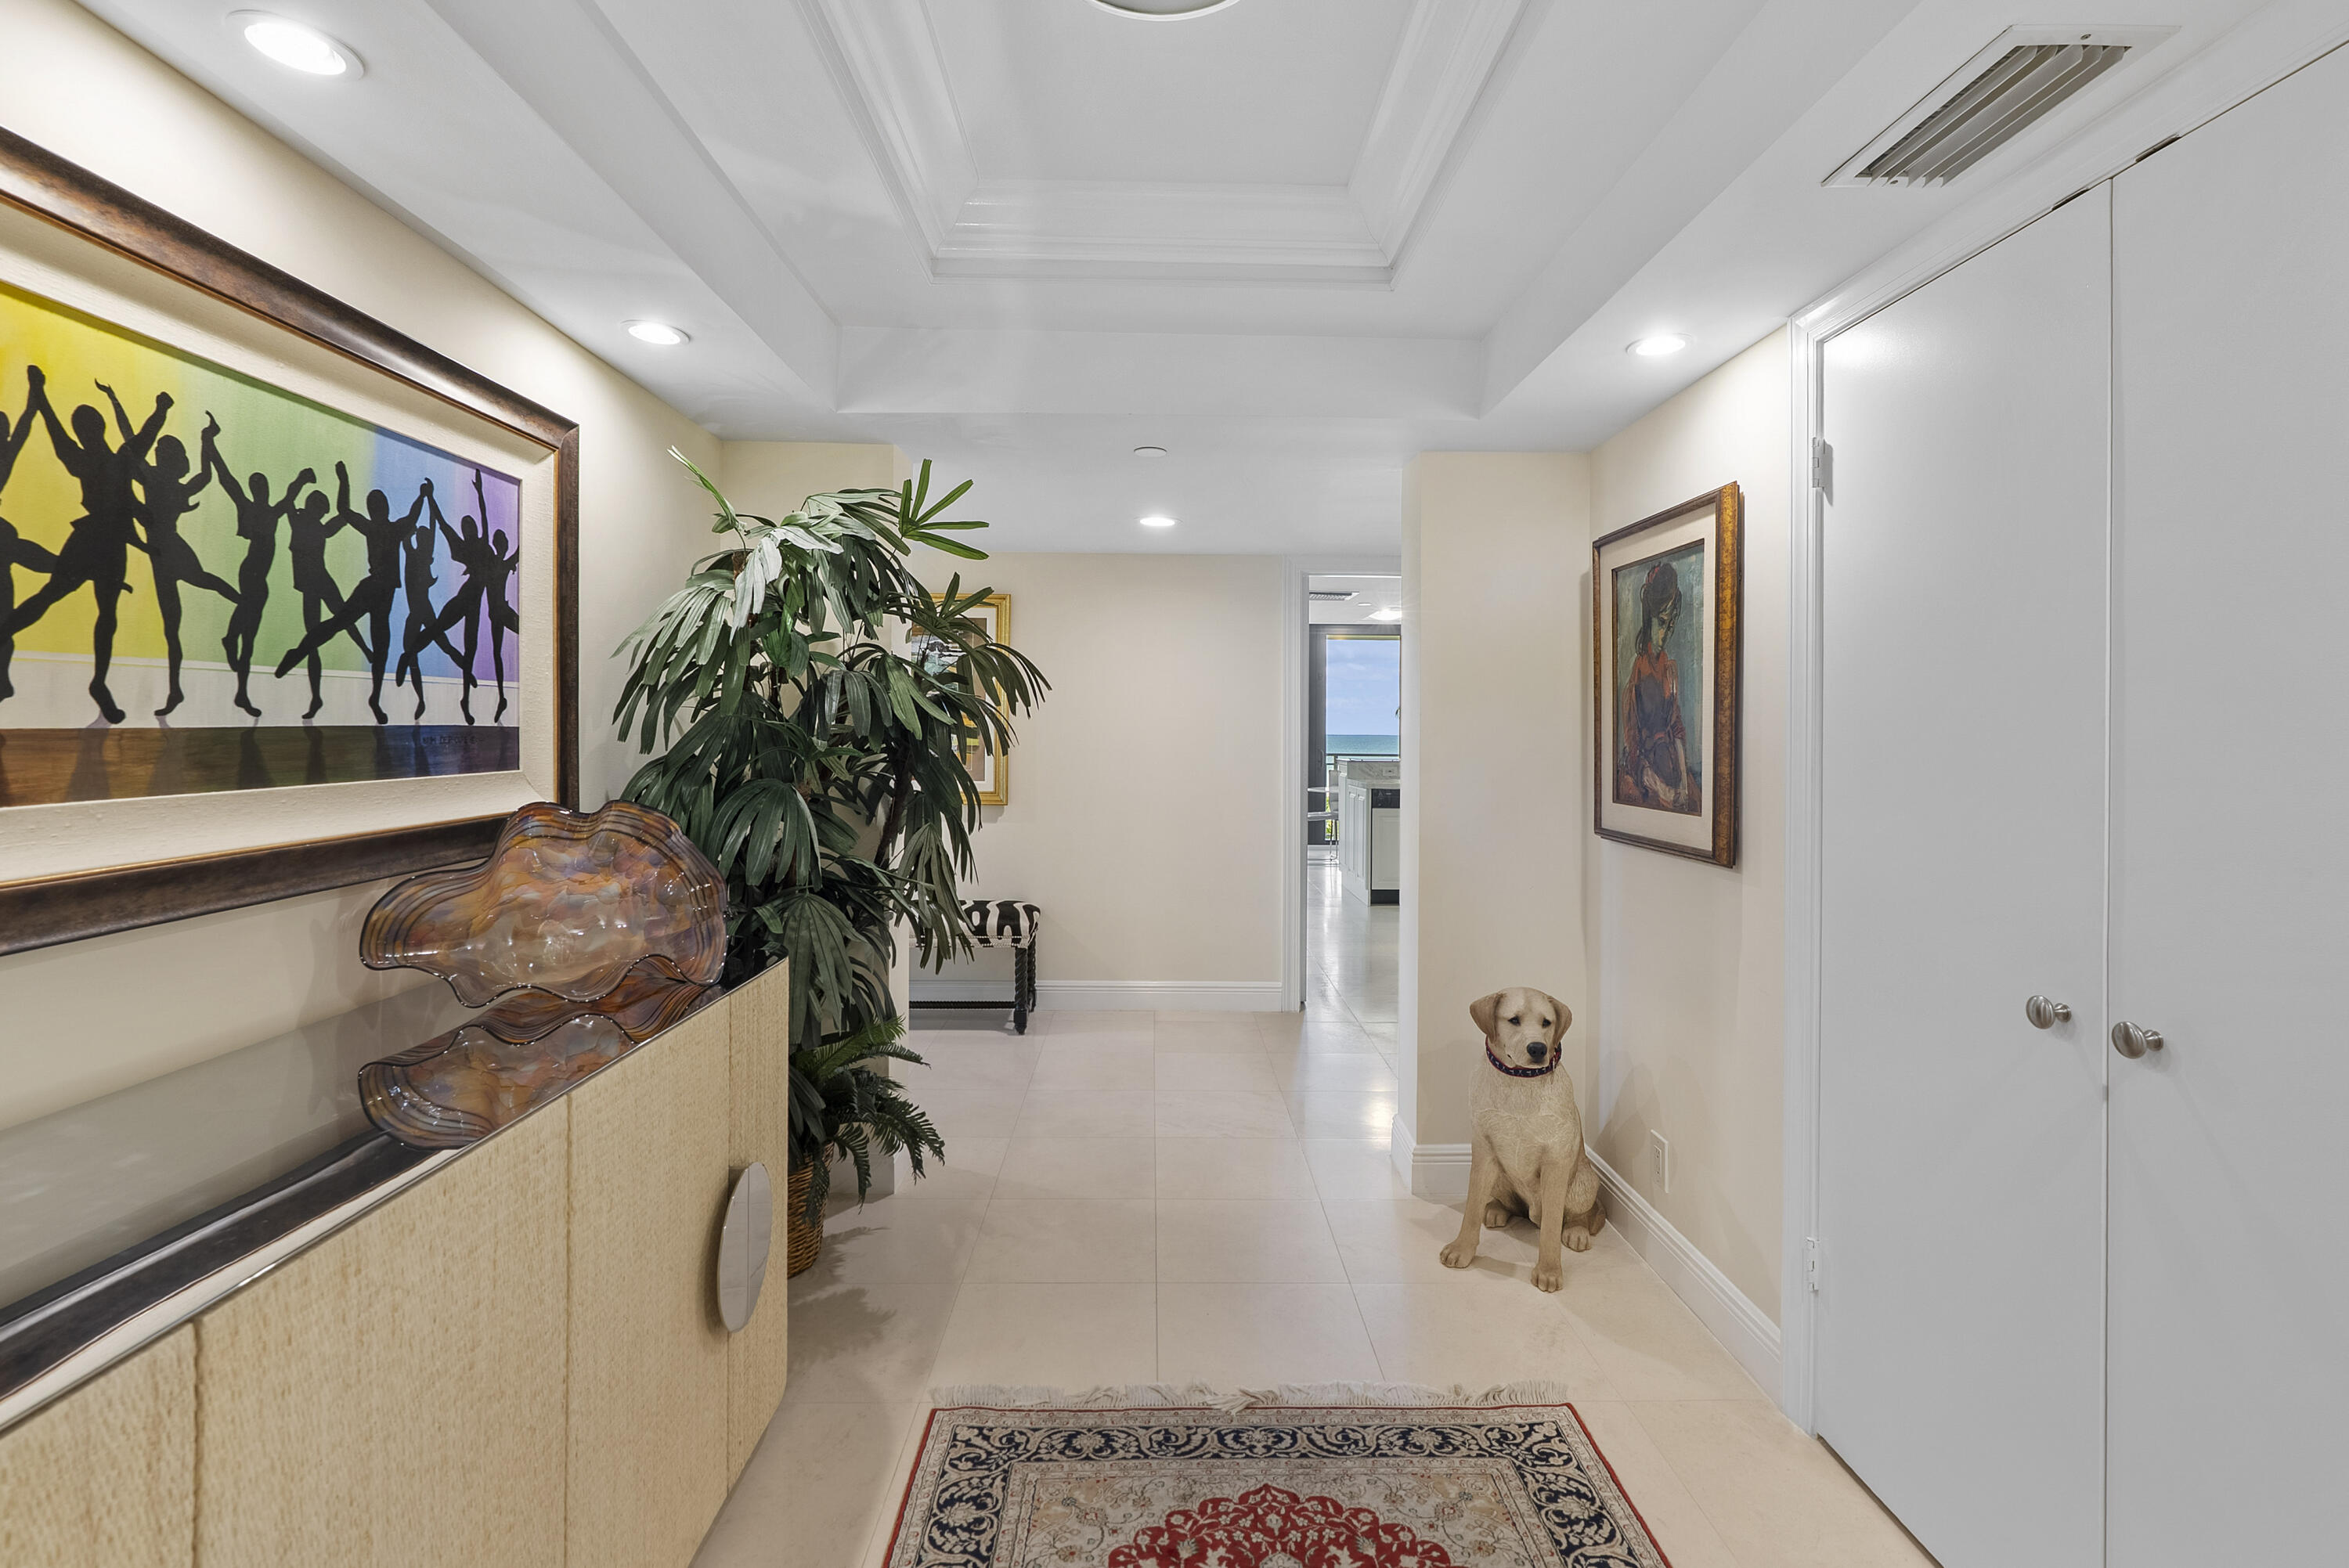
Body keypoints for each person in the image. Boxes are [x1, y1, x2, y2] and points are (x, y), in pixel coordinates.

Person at [0, 377, 172, 723]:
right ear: (81, 433)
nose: (87, 431)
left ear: (100, 427)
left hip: (112, 545)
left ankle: (99, 683)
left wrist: (161, 410)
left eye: (90, 424)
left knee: (107, 613)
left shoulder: (122, 460)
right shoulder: (83, 460)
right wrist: (39, 393)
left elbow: (146, 435)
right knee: (51, 595)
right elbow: (54, 430)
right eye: (82, 427)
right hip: (91, 538)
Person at [101, 385, 237, 716]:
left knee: (204, 581)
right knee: (171, 626)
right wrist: (116, 400)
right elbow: (131, 439)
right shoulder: (154, 478)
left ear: (174, 460)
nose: (159, 451)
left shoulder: (158, 480)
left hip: (170, 549)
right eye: (159, 448)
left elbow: (202, 474)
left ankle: (243, 601)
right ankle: (176, 690)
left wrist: (208, 439)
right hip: (160, 555)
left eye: (164, 449)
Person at [272, 466, 425, 723]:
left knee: (375, 644)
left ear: (383, 508)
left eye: (379, 504)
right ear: (376, 510)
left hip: (383, 596)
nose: (378, 508)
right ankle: (297, 653)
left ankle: (374, 699)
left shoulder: (388, 528)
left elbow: (348, 512)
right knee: (340, 624)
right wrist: (422, 496)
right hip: (373, 589)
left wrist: (421, 497)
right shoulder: (380, 528)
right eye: (375, 505)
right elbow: (348, 512)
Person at [205, 415, 315, 719]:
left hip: (261, 578)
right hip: (251, 570)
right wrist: (210, 443)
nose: (261, 487)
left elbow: (291, 494)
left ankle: (241, 692)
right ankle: (231, 646)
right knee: (247, 620)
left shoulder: (272, 511)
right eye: (257, 484)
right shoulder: (249, 508)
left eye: (263, 483)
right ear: (254, 489)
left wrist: (304, 479)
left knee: (250, 636)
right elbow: (226, 477)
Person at [1615, 560, 1699, 813]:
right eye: (1662, 623)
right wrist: (1660, 787)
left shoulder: (1671, 669)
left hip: (1673, 767)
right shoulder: (1638, 672)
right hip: (1646, 775)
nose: (1667, 632)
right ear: (1649, 618)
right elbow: (1632, 743)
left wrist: (1683, 780)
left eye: (1671, 624)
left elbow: (1677, 725)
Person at [0, 366, 62, 704]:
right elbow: (23, 426)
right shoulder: (7, 454)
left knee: (5, 620)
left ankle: (2, 678)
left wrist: (36, 392)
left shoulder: (6, 456)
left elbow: (24, 426)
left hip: (3, 536)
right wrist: (36, 392)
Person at [280, 481, 352, 719]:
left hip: (320, 581)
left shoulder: (317, 527)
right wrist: (301, 481)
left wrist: (342, 482)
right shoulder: (300, 522)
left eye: (321, 511)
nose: (320, 514)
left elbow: (345, 514)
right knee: (315, 639)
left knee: (344, 617)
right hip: (311, 585)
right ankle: (316, 697)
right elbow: (289, 500)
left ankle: (367, 651)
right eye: (319, 509)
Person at [391, 506, 464, 721]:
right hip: (418, 612)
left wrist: (429, 499)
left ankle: (467, 672)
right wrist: (425, 499)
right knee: (422, 653)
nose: (425, 539)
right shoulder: (412, 553)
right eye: (421, 537)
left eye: (425, 537)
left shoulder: (424, 554)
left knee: (442, 647)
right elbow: (410, 536)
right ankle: (421, 700)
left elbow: (431, 525)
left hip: (423, 610)